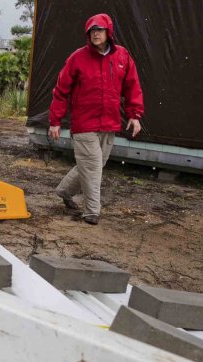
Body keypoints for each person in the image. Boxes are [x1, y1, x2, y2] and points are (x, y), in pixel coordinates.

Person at [49, 13, 144, 225]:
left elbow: (132, 87)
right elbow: (61, 91)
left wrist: (134, 115)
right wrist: (55, 121)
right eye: (92, 31)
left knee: (95, 164)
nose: (95, 34)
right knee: (92, 165)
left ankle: (64, 191)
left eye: (99, 30)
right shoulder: (77, 58)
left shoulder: (122, 57)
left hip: (109, 123)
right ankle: (92, 211)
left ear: (108, 32)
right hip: (84, 124)